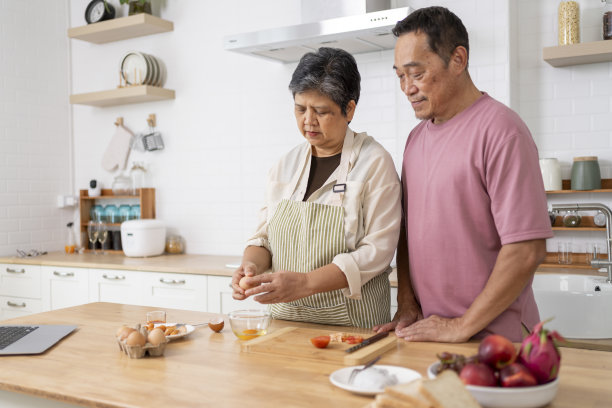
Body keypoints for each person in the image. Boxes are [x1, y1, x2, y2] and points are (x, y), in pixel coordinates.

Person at [373, 7, 553, 342]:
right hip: (433, 334)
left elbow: (527, 249)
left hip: (497, 339)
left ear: (458, 59)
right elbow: (408, 230)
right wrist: (407, 301)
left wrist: (461, 326)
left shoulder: (502, 131)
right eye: (400, 76)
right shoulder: (416, 139)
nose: (407, 88)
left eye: (417, 73)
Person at [231, 47, 401, 328]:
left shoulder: (374, 162)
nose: (307, 120)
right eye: (300, 109)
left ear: (349, 109)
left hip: (352, 326)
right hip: (285, 321)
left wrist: (306, 283)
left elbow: (377, 252)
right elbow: (262, 238)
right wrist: (250, 266)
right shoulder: (285, 164)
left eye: (320, 111)